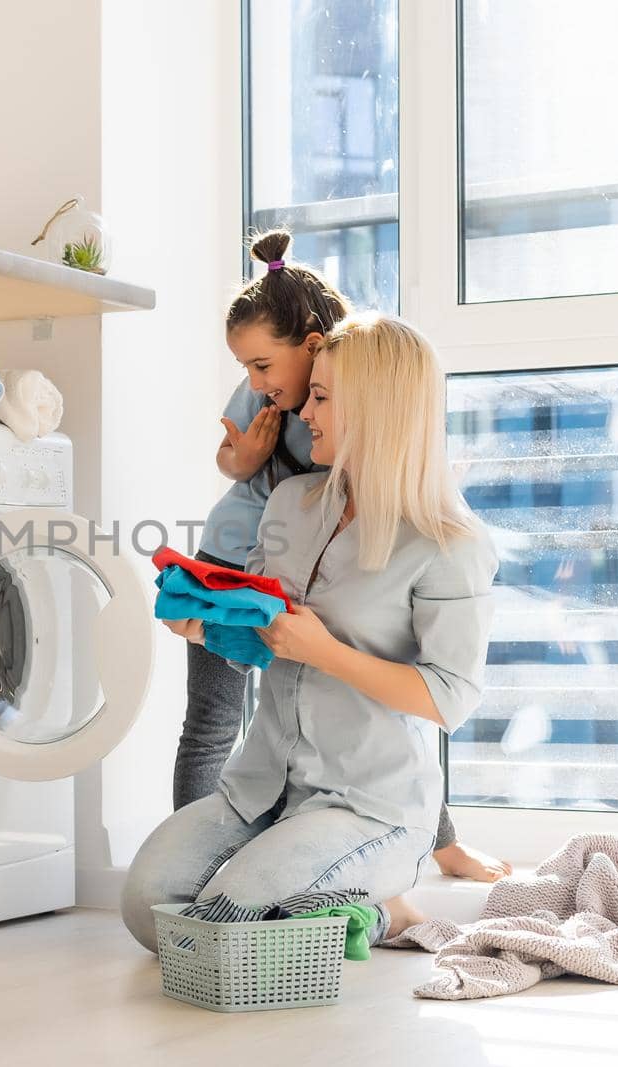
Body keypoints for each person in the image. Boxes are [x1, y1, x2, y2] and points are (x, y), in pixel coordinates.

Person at [124, 312, 500, 952]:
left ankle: (384, 913)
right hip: (265, 787)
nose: (305, 414)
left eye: (322, 398)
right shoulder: (289, 503)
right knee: (145, 910)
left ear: (377, 412)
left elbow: (450, 697)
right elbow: (265, 641)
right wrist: (202, 625)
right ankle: (347, 900)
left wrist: (327, 652)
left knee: (224, 926)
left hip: (369, 805)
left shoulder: (448, 543)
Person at [180, 230, 509, 882]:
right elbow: (230, 460)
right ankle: (204, 860)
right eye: (246, 368)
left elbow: (434, 692)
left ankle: (427, 846)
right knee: (213, 720)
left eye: (263, 366)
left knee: (371, 695)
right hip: (229, 562)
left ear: (311, 350)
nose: (255, 382)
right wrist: (241, 460)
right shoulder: (271, 407)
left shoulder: (344, 424)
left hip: (309, 582)